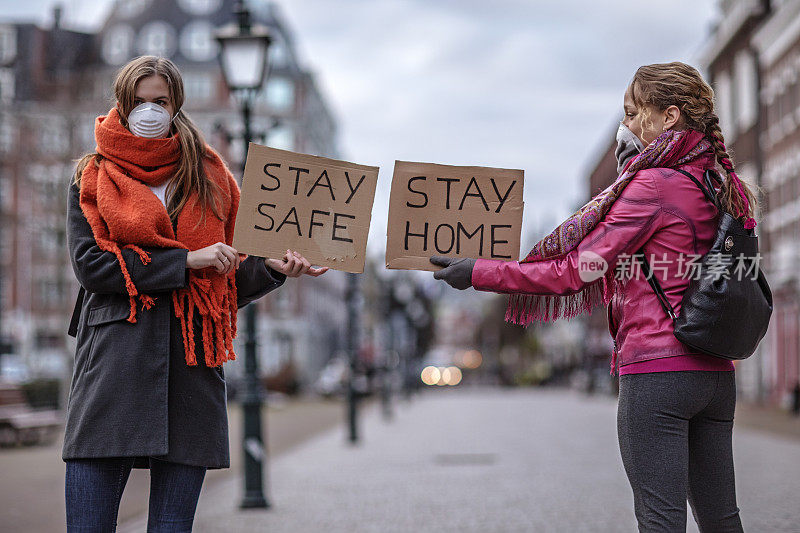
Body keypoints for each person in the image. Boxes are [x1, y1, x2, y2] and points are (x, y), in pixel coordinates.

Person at [431, 62, 757, 532]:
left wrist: (479, 271)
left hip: (657, 373)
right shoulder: (722, 185)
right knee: (723, 519)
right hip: (716, 377)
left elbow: (573, 271)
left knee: (659, 521)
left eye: (631, 113)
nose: (625, 125)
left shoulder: (652, 186)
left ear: (668, 117)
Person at [62, 55, 327, 532]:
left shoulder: (213, 179)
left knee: (172, 527)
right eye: (137, 101)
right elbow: (93, 267)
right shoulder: (92, 176)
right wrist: (186, 260)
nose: (148, 111)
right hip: (113, 368)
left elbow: (225, 287)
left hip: (190, 372)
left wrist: (269, 268)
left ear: (176, 104)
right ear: (120, 104)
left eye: (159, 101)